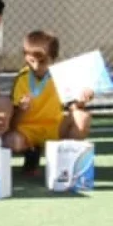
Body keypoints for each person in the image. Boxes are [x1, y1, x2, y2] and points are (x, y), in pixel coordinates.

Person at [6, 30, 92, 178]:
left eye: (42, 62)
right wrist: (21, 109)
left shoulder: (62, 76)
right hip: (27, 130)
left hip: (54, 128)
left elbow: (73, 107)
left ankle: (65, 162)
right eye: (31, 61)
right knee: (12, 141)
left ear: (53, 59)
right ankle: (31, 155)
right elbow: (13, 123)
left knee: (82, 117)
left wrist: (81, 102)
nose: (36, 66)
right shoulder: (21, 78)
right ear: (25, 56)